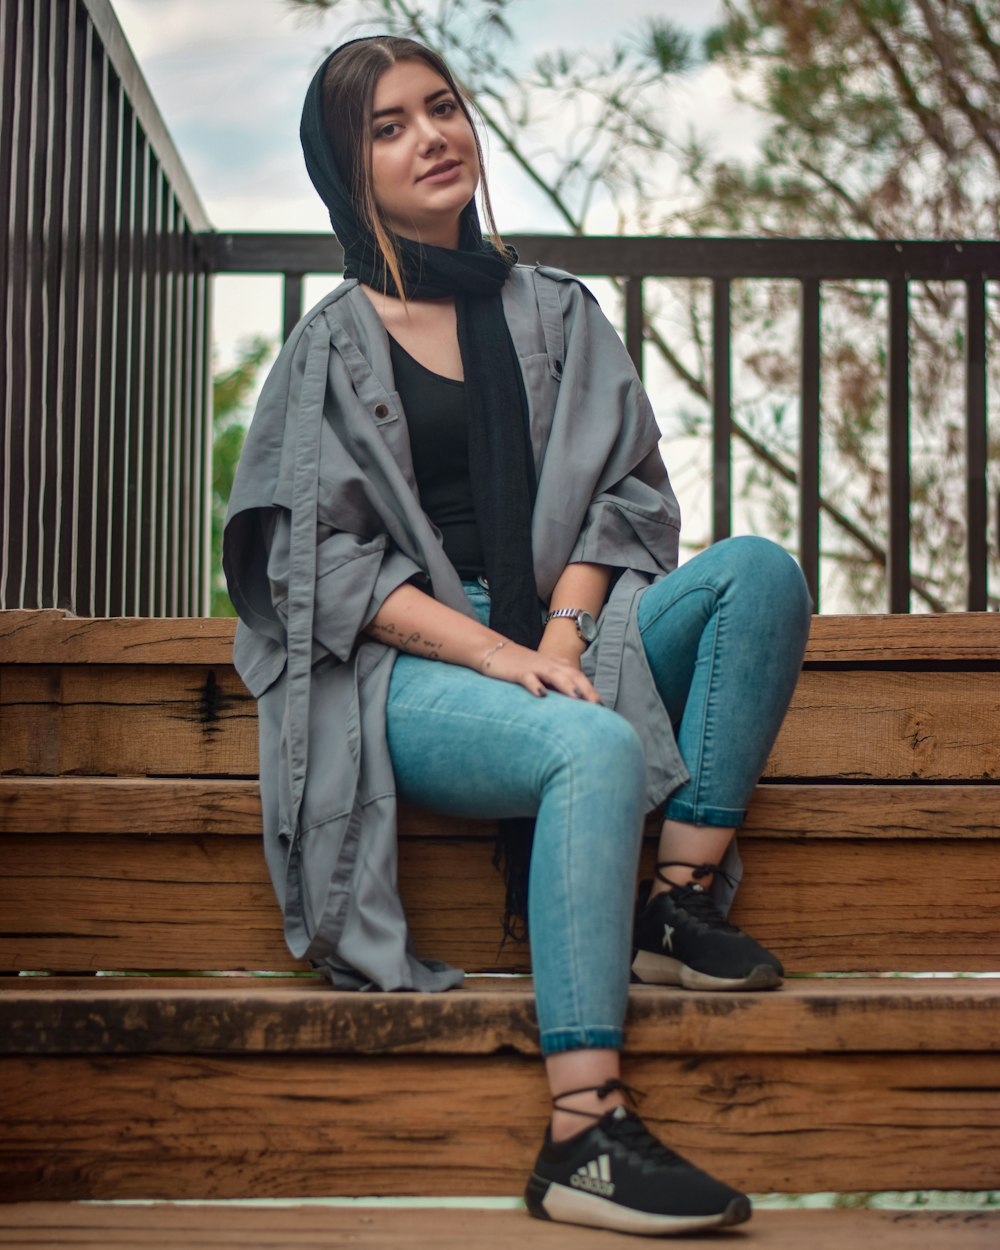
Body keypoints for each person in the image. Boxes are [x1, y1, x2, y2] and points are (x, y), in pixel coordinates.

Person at [224, 33, 811, 1238]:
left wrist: (561, 627)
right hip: (414, 667)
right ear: (348, 169)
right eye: (388, 126)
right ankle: (582, 1130)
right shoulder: (327, 348)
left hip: (566, 627)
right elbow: (313, 562)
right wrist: (502, 655)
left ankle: (673, 900)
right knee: (586, 750)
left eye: (441, 108)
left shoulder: (553, 310)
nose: (431, 136)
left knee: (756, 574)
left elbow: (630, 494)